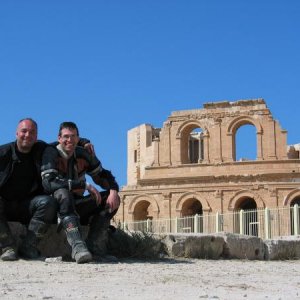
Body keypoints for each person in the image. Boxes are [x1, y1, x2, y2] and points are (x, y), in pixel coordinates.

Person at [0, 118, 94, 261]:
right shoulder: (3, 153)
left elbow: (63, 142)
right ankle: (7, 247)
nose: (27, 135)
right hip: (4, 205)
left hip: (28, 205)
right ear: (16, 133)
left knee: (48, 202)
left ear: (36, 136)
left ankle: (29, 246)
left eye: (32, 132)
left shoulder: (41, 149)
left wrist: (83, 142)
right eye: (24, 131)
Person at [41, 121, 120, 264]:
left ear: (78, 139)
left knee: (112, 199)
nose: (69, 140)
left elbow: (102, 174)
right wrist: (83, 185)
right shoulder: (51, 153)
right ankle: (78, 247)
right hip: (54, 208)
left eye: (73, 136)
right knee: (63, 193)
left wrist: (113, 189)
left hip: (77, 206)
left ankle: (94, 246)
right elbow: (49, 183)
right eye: (65, 137)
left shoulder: (83, 154)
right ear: (59, 138)